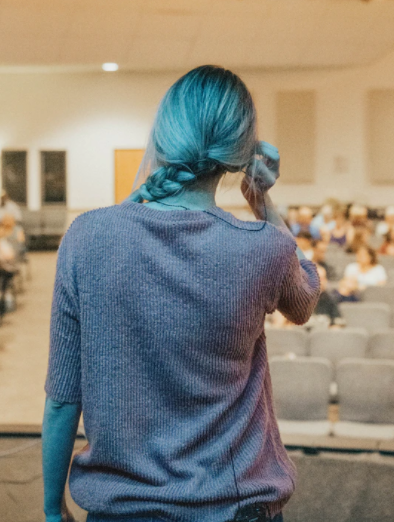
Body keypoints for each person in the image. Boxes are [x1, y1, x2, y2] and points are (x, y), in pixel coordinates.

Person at [42, 66, 320, 522]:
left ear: (163, 136)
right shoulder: (261, 247)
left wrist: (53, 509)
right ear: (241, 151)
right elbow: (305, 299)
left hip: (124, 510)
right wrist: (262, 198)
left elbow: (62, 398)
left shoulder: (86, 236)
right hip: (233, 506)